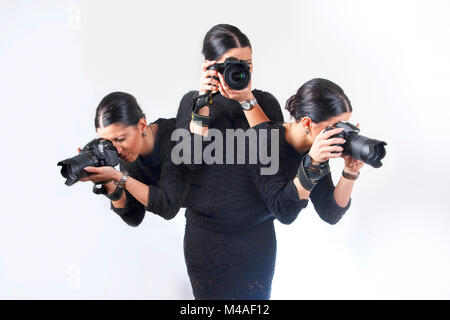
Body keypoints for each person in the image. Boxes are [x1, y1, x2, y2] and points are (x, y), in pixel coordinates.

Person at [175, 24, 284, 299]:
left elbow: (273, 160)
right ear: (210, 67)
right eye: (231, 65)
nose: (240, 71)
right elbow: (188, 163)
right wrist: (203, 104)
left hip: (256, 234)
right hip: (205, 235)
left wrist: (247, 101)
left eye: (246, 64)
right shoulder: (191, 103)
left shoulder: (265, 103)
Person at [234, 78, 364, 225]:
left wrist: (350, 173)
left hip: (255, 233)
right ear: (307, 123)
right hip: (225, 227)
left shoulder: (315, 148)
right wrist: (311, 165)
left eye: (345, 125)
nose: (342, 133)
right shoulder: (264, 139)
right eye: (336, 126)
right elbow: (284, 212)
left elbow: (329, 213)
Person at [79, 91, 191, 226]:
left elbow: (168, 207)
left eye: (120, 139)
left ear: (142, 125)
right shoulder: (128, 155)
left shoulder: (175, 138)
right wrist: (107, 181)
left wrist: (120, 178)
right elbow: (134, 216)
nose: (117, 150)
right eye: (108, 143)